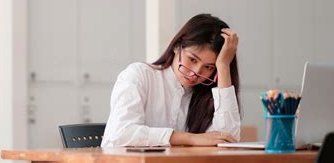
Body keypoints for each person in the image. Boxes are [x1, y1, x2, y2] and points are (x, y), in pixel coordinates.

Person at [101, 14, 241, 147]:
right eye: (192, 59)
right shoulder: (139, 75)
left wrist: (223, 66)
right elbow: (120, 134)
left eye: (209, 67)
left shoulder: (205, 94)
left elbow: (227, 139)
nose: (196, 72)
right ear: (176, 46)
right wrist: (191, 138)